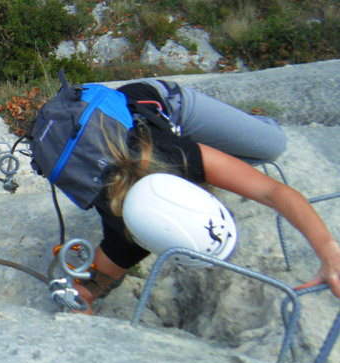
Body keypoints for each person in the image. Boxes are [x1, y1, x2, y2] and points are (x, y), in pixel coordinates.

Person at [76, 78, 340, 312]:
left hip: (154, 104)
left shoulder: (183, 158)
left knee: (273, 145)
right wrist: (81, 299)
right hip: (110, 136)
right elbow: (84, 291)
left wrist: (329, 252)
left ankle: (223, 127)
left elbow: (272, 192)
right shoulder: (129, 237)